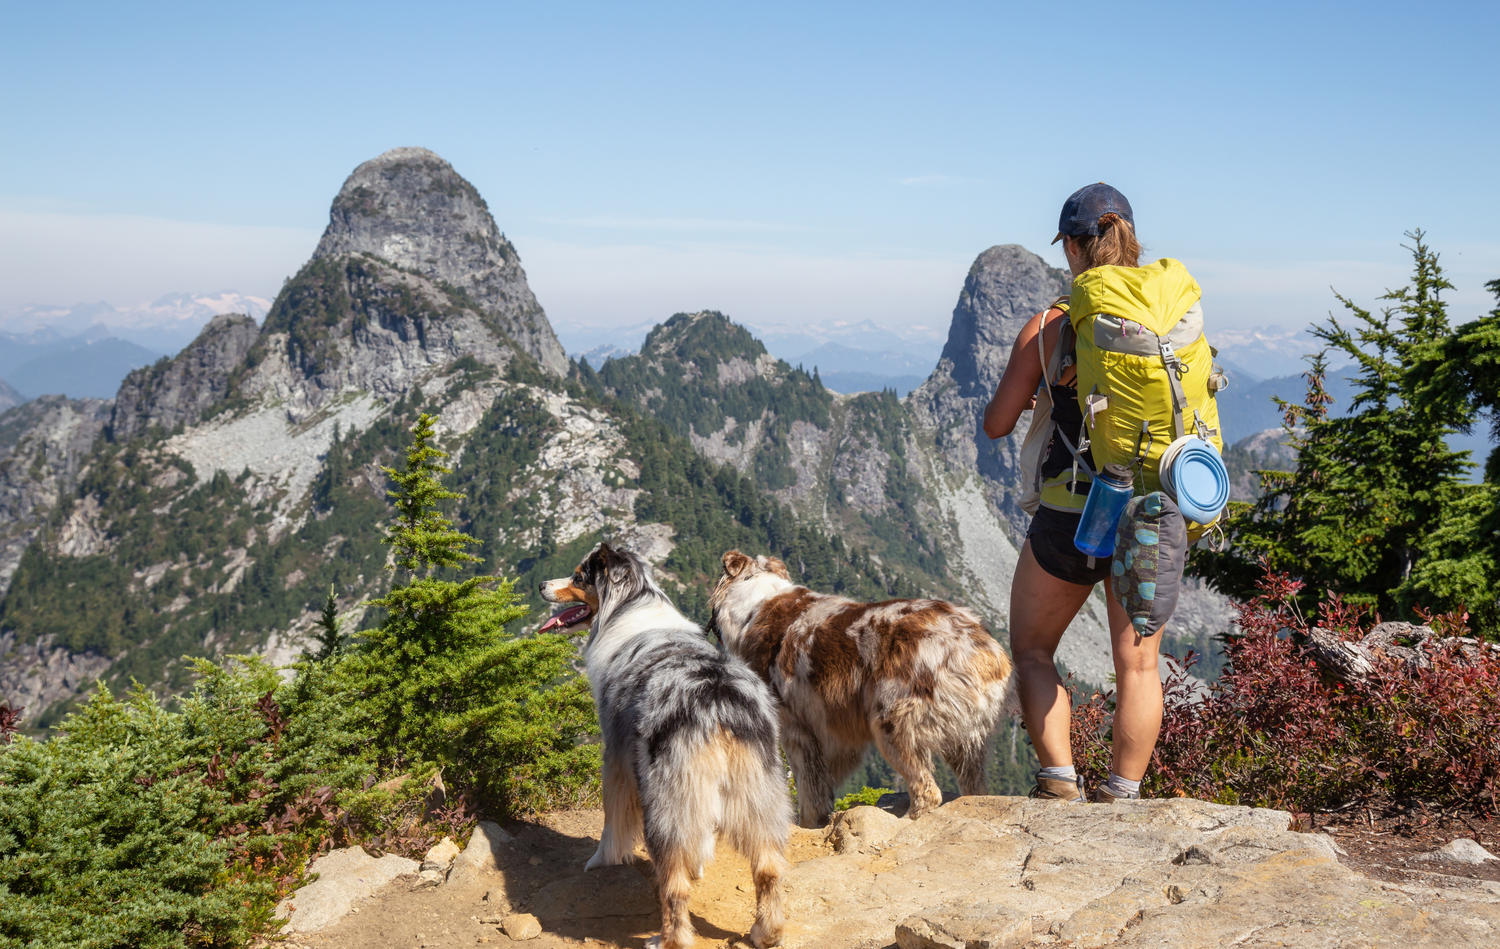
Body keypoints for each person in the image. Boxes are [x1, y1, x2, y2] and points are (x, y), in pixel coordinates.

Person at [982, 183, 1209, 804]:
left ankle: (1059, 781)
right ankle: (1123, 796)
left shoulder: (1052, 324)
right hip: (1152, 508)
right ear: (1131, 238)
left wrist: (1044, 389)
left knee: (1031, 649)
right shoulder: (1171, 319)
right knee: (1137, 665)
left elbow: (997, 424)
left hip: (1072, 510)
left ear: (1074, 248)